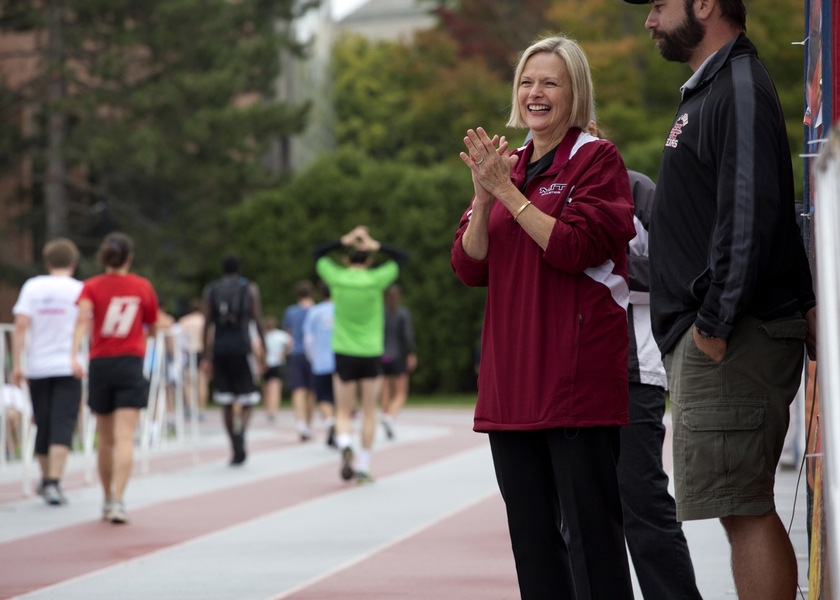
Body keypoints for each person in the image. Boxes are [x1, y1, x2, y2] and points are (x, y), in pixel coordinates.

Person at [623, 2, 818, 599]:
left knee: (743, 506)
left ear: (704, 3)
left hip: (734, 338)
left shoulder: (736, 86)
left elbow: (750, 211)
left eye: (659, 5)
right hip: (723, 336)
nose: (650, 21)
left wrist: (714, 323)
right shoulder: (714, 87)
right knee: (739, 507)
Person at [451, 35, 636, 598]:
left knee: (593, 545)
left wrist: (508, 195)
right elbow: (469, 265)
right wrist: (485, 198)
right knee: (533, 547)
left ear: (575, 92)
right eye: (527, 82)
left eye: (550, 82)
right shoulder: (505, 167)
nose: (535, 92)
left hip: (573, 385)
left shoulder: (597, 159)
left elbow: (575, 248)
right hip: (511, 386)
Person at [620, 166, 703, 599]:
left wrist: (596, 259)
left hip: (632, 372)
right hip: (562, 375)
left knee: (642, 499)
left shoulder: (636, 189)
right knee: (577, 511)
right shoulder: (533, 185)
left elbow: (677, 267)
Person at [71, 232, 159, 523]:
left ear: (103, 257)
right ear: (129, 259)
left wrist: (73, 354)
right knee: (125, 437)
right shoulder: (142, 286)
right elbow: (152, 323)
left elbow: (82, 320)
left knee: (105, 439)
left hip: (101, 363)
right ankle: (119, 499)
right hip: (130, 362)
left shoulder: (91, 286)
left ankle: (107, 498)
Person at [313, 226, 408, 483]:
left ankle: (345, 443)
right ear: (368, 260)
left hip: (344, 351)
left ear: (347, 259)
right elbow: (403, 257)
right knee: (369, 411)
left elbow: (317, 254)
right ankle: (364, 467)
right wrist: (375, 244)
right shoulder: (376, 279)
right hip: (370, 352)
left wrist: (343, 240)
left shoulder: (337, 278)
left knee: (343, 411)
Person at [12, 238, 84, 506]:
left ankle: (46, 478)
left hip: (38, 365)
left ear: (47, 262)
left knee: (43, 422)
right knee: (62, 422)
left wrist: (17, 363)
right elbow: (86, 325)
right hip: (68, 364)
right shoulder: (79, 289)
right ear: (73, 263)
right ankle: (53, 481)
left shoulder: (33, 287)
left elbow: (21, 325)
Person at [201, 254, 265, 465]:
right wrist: (263, 347)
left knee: (226, 400)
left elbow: (207, 323)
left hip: (220, 349)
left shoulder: (211, 290)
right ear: (239, 268)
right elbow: (257, 318)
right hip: (241, 347)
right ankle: (241, 432)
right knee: (248, 398)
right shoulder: (249, 288)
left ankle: (234, 445)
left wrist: (205, 354)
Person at [302, 281, 337, 447]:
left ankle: (329, 421)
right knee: (339, 398)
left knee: (323, 397)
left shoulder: (314, 312)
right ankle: (338, 425)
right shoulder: (341, 310)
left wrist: (312, 358)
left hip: (321, 362)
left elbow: (308, 339)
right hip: (340, 361)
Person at [379, 284, 416, 440]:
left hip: (382, 355)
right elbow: (407, 335)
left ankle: (385, 415)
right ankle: (389, 416)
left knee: (385, 391)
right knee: (401, 393)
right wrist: (412, 353)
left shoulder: (380, 313)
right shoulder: (403, 313)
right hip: (397, 356)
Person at [282, 281, 316, 441]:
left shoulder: (291, 312)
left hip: (296, 353)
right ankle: (308, 424)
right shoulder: (316, 310)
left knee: (298, 390)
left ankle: (301, 423)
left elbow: (288, 334)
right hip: (314, 355)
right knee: (311, 391)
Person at [178, 299, 209, 421]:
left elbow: (179, 338)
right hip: (201, 350)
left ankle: (190, 407)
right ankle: (201, 409)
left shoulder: (185, 321)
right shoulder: (204, 321)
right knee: (202, 382)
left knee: (188, 382)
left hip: (188, 351)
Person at [262, 316, 292, 423]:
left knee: (266, 389)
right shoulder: (281, 335)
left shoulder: (264, 335)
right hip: (277, 363)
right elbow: (290, 343)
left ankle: (268, 410)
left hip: (266, 364)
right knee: (275, 390)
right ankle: (273, 412)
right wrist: (283, 354)